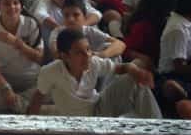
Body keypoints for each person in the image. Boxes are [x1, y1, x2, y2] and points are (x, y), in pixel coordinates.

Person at [29, 28, 160, 118]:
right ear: (64, 56)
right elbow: (38, 97)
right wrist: (29, 126)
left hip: (100, 108)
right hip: (79, 123)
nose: (87, 55)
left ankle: (158, 130)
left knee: (133, 80)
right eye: (79, 52)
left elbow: (120, 68)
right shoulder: (51, 71)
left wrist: (134, 70)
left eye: (88, 49)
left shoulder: (93, 62)